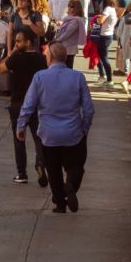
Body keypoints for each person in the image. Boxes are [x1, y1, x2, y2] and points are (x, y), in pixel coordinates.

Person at [17, 42, 94, 213]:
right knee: (76, 166)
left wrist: (21, 125)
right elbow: (88, 109)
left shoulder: (39, 77)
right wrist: (85, 128)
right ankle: (71, 185)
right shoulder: (77, 77)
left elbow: (29, 105)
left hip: (49, 134)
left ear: (50, 57)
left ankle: (59, 202)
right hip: (73, 132)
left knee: (53, 168)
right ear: (65, 58)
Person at [0, 27, 47, 185]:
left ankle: (22, 173)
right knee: (38, 137)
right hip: (37, 104)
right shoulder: (41, 59)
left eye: (19, 41)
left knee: (19, 139)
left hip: (19, 103)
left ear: (28, 42)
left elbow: (1, 69)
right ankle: (40, 163)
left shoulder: (16, 58)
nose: (16, 43)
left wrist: (12, 52)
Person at [52, 0, 87, 69]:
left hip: (69, 49)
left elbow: (67, 33)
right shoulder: (68, 18)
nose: (69, 7)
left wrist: (57, 40)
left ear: (77, 8)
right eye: (69, 5)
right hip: (63, 47)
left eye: (72, 6)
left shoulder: (76, 20)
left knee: (67, 68)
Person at [91, 0, 117, 87]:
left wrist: (97, 19)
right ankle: (105, 77)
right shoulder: (113, 9)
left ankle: (109, 79)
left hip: (104, 36)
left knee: (104, 58)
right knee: (102, 57)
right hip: (109, 35)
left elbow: (100, 21)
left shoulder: (108, 9)